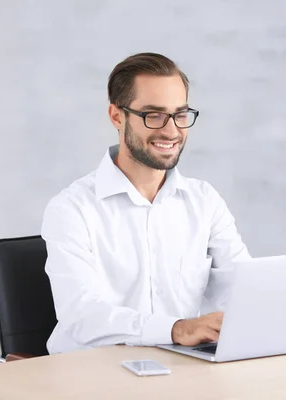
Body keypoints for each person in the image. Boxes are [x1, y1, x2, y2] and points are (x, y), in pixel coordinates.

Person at [41, 52, 251, 354]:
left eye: (180, 114)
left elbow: (243, 287)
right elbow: (82, 315)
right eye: (153, 115)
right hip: (91, 375)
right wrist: (176, 329)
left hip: (182, 369)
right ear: (116, 116)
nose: (171, 130)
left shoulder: (204, 201)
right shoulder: (72, 209)